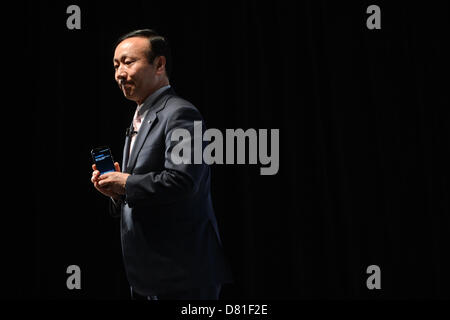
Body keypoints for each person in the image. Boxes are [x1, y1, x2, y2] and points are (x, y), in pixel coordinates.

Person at [91, 29, 232, 300]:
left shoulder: (180, 113)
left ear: (159, 64)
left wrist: (127, 182)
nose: (119, 73)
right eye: (116, 65)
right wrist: (117, 191)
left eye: (128, 62)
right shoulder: (140, 116)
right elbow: (145, 190)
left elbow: (182, 181)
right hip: (149, 274)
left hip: (182, 274)